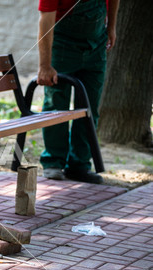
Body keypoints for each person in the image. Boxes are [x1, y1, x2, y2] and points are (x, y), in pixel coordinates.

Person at [37, 0, 119, 184]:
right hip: (62, 43)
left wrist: (111, 27)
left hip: (96, 44)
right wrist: (45, 65)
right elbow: (45, 21)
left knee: (90, 106)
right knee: (56, 103)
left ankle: (79, 165)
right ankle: (53, 162)